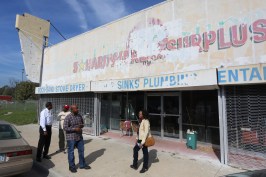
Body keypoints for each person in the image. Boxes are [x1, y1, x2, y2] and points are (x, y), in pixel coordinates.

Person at [63, 104, 91, 173]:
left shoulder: (79, 116)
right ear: (72, 110)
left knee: (81, 151)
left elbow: (82, 124)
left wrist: (81, 126)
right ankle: (72, 167)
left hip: (79, 137)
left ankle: (82, 164)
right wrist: (75, 129)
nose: (77, 109)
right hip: (71, 137)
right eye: (76, 109)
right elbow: (65, 127)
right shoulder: (68, 117)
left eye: (77, 108)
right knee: (71, 152)